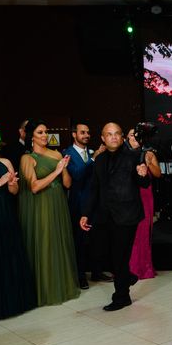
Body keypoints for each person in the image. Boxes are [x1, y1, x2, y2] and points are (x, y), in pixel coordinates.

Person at [80, 123, 150, 311]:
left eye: (117, 134)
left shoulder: (133, 157)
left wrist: (144, 175)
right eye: (109, 134)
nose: (113, 137)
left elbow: (143, 183)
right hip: (104, 216)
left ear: (122, 137)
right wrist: (86, 213)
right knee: (102, 254)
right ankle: (127, 277)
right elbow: (94, 190)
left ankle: (121, 297)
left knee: (120, 257)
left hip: (127, 215)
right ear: (102, 138)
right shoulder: (100, 160)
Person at [19, 119, 80, 306]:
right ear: (31, 136)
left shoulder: (55, 154)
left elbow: (67, 184)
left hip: (58, 203)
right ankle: (45, 290)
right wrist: (57, 171)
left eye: (46, 132)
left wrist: (64, 169)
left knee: (58, 242)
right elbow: (35, 187)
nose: (45, 135)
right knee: (44, 242)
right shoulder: (27, 159)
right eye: (40, 132)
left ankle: (61, 285)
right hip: (41, 206)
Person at [0, 126, 36, 320]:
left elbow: (15, 191)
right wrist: (1, 182)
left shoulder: (5, 161)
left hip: (5, 213)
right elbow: (1, 182)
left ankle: (12, 303)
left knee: (7, 253)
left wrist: (12, 184)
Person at [62, 121, 111, 289]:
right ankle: (81, 275)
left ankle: (97, 271)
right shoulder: (67, 153)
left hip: (97, 203)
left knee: (98, 239)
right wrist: (93, 158)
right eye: (83, 132)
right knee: (80, 241)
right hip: (79, 204)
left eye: (88, 132)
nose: (86, 135)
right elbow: (77, 175)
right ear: (74, 134)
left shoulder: (92, 152)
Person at [126, 127, 161, 279]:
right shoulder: (122, 155)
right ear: (126, 138)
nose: (134, 138)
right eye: (131, 135)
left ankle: (143, 267)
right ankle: (128, 268)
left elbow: (158, 174)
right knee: (129, 233)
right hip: (127, 197)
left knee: (143, 231)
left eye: (136, 135)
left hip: (145, 196)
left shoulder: (149, 154)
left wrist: (149, 163)